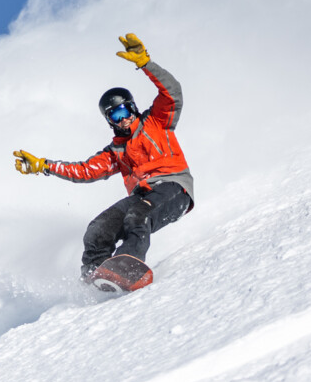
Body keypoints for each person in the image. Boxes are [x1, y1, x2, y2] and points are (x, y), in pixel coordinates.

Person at [13, 33, 195, 278]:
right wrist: (44, 165)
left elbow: (172, 93)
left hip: (174, 189)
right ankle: (96, 278)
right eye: (115, 116)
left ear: (132, 107)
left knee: (137, 215)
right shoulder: (115, 151)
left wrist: (145, 64)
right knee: (97, 230)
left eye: (124, 111)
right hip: (142, 195)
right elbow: (85, 171)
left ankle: (128, 267)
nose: (123, 119)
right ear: (110, 122)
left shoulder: (156, 121)